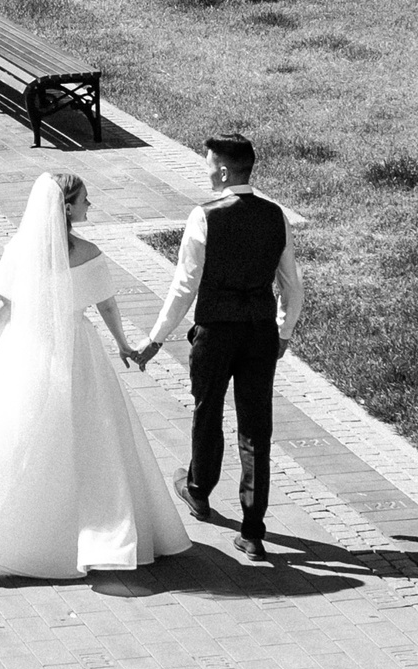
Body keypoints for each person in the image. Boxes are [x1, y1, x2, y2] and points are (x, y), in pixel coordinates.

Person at [0, 172, 193, 578]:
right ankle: (97, 529)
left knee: (17, 435)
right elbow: (107, 306)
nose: (89, 205)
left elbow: (3, 303)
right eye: (84, 199)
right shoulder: (89, 253)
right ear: (66, 208)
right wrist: (123, 344)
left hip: (25, 347)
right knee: (92, 436)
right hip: (77, 348)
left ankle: (7, 533)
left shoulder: (20, 249)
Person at [130, 132, 304, 560]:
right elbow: (291, 285)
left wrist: (156, 338)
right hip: (259, 331)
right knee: (256, 427)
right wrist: (283, 332)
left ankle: (199, 490)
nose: (206, 170)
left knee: (207, 411)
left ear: (224, 172)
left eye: (208, 164)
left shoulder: (204, 216)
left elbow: (184, 285)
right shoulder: (275, 216)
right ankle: (253, 530)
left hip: (216, 331)